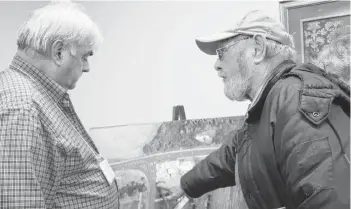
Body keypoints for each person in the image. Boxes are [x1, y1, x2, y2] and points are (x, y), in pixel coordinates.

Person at [156, 10, 350, 209]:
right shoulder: (267, 105)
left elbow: (330, 200)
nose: (216, 65)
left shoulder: (295, 99)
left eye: (221, 52)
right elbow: (232, 156)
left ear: (257, 49)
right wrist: (184, 185)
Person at [0, 2, 119, 208]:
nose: (87, 67)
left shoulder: (40, 94)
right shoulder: (22, 109)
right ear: (58, 53)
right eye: (84, 57)